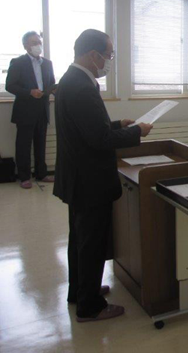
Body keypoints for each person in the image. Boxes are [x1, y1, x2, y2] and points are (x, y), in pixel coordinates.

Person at [53, 29, 153, 322]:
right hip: (90, 180)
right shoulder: (83, 87)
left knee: (80, 239)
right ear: (93, 55)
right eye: (108, 54)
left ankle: (80, 291)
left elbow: (89, 127)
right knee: (92, 242)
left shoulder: (71, 80)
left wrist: (117, 124)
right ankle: (90, 306)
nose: (110, 60)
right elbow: (99, 139)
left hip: (77, 176)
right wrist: (136, 132)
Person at [5, 31, 56, 189]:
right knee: (24, 145)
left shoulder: (47, 63)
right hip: (25, 110)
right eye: (34, 43)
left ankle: (41, 173)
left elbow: (51, 83)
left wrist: (54, 90)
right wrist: (29, 92)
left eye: (39, 42)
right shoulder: (18, 62)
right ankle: (24, 177)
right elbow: (10, 86)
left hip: (42, 109)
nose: (38, 45)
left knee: (41, 143)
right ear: (25, 45)